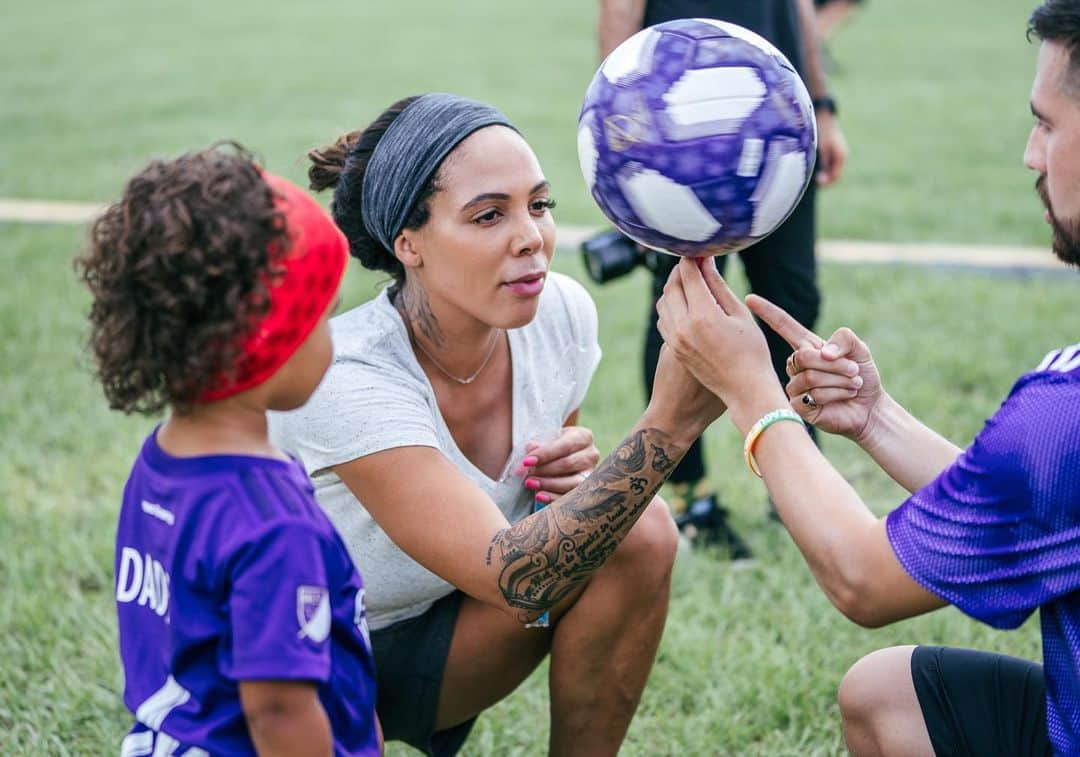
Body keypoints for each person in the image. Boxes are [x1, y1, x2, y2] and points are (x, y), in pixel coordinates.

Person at [655, 2, 1080, 753]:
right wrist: (876, 418)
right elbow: (1044, 500)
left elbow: (864, 579)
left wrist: (750, 391)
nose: (1029, 153)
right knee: (888, 697)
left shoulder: (1064, 414)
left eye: (1047, 123)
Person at [269, 93, 727, 756]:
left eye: (539, 205)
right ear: (409, 243)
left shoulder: (560, 313)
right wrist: (670, 426)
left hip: (455, 630)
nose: (531, 238)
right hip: (309, 662)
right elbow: (515, 575)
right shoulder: (349, 375)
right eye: (489, 215)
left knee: (638, 534)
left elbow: (552, 525)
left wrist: (572, 480)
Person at [75, 145, 380, 754]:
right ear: (270, 340)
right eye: (322, 318)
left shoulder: (160, 461)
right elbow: (280, 712)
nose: (333, 340)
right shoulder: (273, 525)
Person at [596, 0, 848, 554]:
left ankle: (796, 486)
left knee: (794, 302)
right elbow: (619, 8)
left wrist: (822, 106)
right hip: (680, 128)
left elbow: (799, 7)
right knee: (681, 313)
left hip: (777, 122)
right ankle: (691, 498)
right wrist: (623, 147)